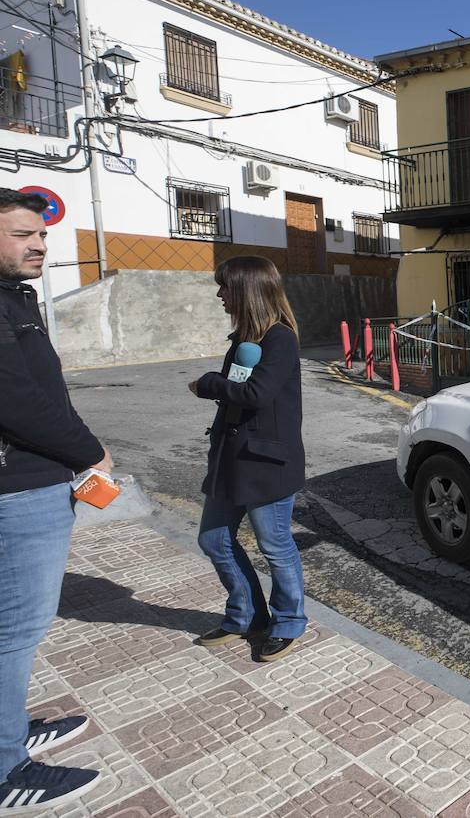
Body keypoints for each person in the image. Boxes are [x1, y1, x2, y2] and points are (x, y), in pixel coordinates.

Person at [0, 188, 107, 810]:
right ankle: (7, 766)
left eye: (41, 235)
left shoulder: (16, 296)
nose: (40, 244)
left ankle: (10, 725)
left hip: (36, 480)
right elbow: (13, 399)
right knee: (16, 629)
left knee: (15, 628)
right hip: (17, 491)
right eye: (22, 234)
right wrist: (89, 452)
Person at [188, 255, 307, 663]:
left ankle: (288, 620)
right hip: (231, 459)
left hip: (266, 464)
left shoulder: (280, 338)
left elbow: (256, 394)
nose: (220, 295)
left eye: (225, 287)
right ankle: (248, 615)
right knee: (213, 539)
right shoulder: (243, 337)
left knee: (275, 546)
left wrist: (208, 384)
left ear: (247, 291)